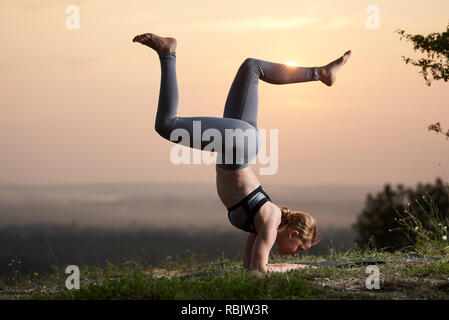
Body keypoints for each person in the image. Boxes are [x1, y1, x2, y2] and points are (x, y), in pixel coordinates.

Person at [132, 33, 351, 273]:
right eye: (300, 248)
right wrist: (296, 266)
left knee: (251, 67)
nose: (296, 252)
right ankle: (167, 53)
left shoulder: (263, 225)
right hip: (239, 145)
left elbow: (251, 269)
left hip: (241, 144)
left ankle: (321, 73)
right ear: (294, 233)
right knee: (168, 125)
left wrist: (282, 264)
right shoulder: (270, 220)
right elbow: (261, 271)